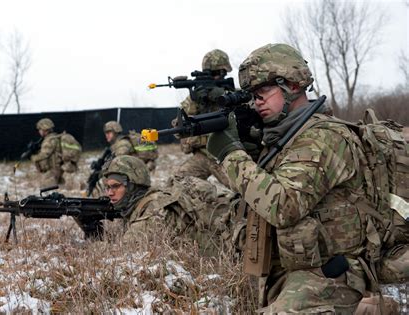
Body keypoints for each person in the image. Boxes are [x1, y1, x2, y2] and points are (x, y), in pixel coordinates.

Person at [206, 43, 381, 313]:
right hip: (297, 268)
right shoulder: (286, 136)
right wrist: (250, 150)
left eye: (263, 90)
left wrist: (231, 154)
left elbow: (284, 206)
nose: (256, 101)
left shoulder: (323, 136)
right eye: (252, 94)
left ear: (293, 85)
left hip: (335, 273)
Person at [102, 155, 236, 256]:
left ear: (133, 185)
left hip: (229, 251)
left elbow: (122, 256)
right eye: (107, 187)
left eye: (115, 186)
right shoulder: (149, 199)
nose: (109, 193)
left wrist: (96, 239)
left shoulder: (152, 214)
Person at [170, 49, 234, 188]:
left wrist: (222, 96)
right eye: (213, 74)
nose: (216, 78)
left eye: (219, 74)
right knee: (176, 182)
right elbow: (178, 130)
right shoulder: (196, 96)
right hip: (204, 155)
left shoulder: (232, 94)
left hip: (225, 154)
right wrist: (195, 101)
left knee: (244, 189)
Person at [31, 118, 64, 187]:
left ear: (45, 129)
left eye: (40, 129)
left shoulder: (49, 140)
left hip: (53, 171)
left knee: (45, 189)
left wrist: (33, 157)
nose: (39, 132)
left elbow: (45, 154)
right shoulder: (54, 137)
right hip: (56, 170)